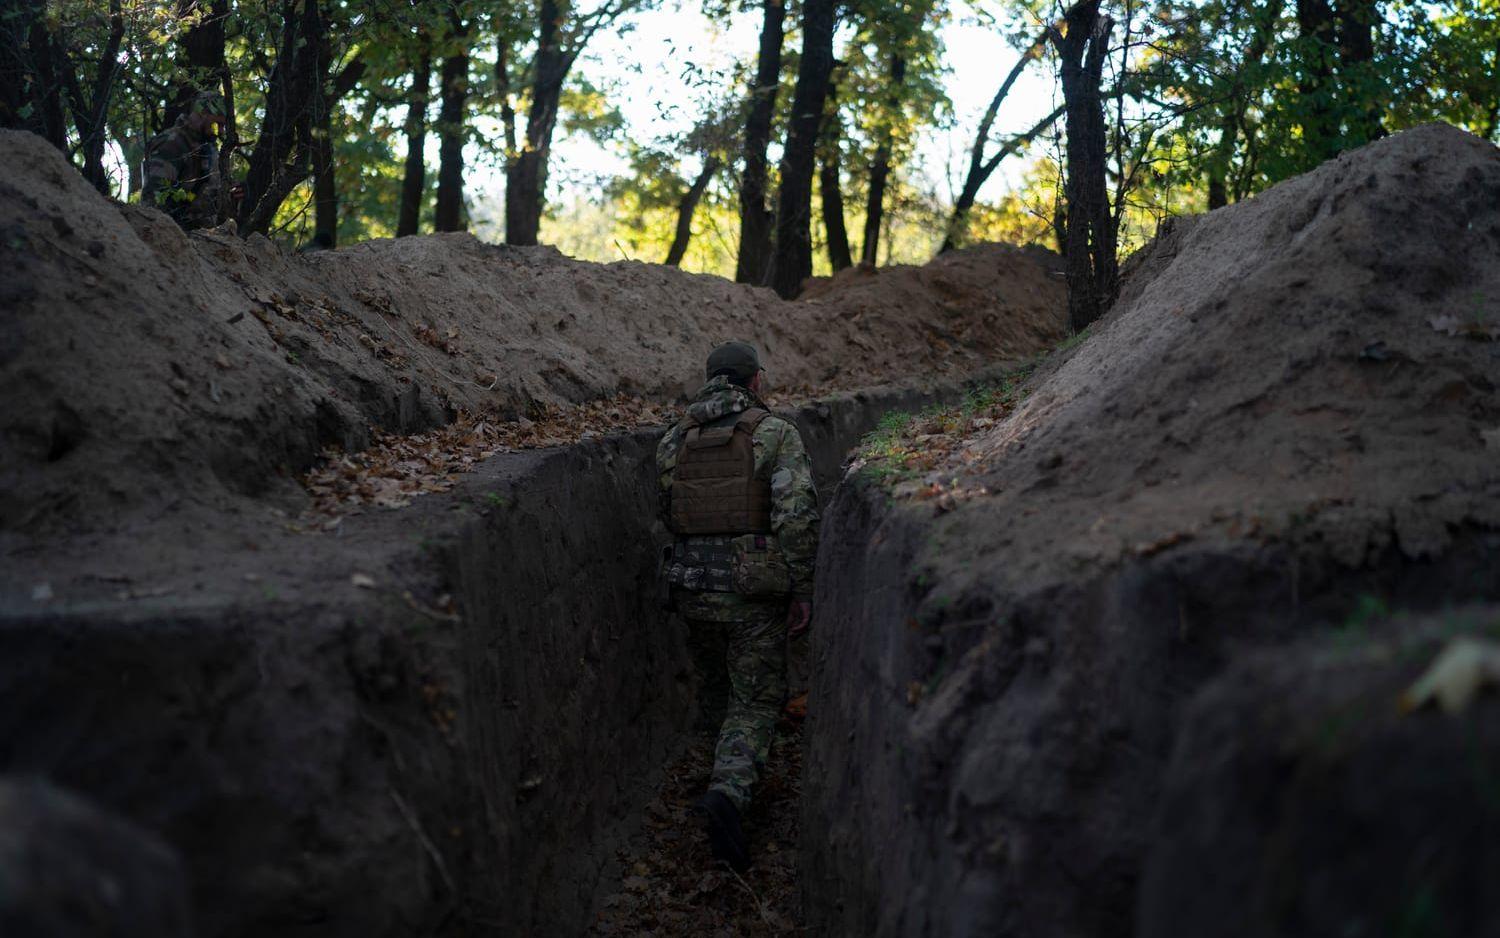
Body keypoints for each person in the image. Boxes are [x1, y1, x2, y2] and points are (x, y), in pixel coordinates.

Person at [656, 341, 819, 870]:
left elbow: (668, 510)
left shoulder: (673, 439)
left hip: (692, 586)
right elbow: (796, 517)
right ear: (754, 382)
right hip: (753, 594)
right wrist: (801, 588)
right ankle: (728, 796)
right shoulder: (774, 433)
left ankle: (709, 784)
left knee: (716, 692)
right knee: (754, 701)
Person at [142, 91, 234, 230]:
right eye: (218, 124)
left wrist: (232, 196)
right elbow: (153, 205)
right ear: (202, 113)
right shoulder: (172, 144)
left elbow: (207, 200)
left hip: (202, 240)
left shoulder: (208, 149)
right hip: (171, 237)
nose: (221, 131)